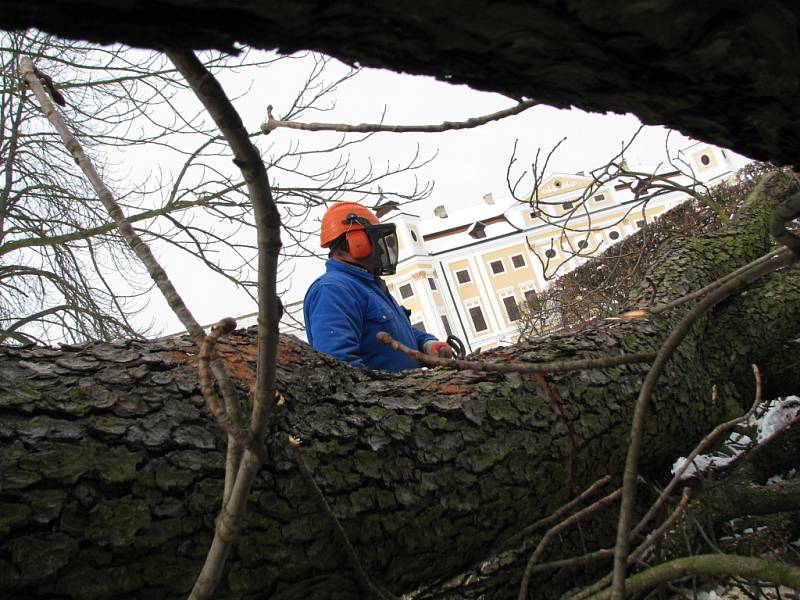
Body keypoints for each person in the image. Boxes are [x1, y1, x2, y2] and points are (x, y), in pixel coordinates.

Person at [303, 201, 453, 371]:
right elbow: (340, 367)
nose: (382, 250)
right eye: (376, 241)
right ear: (357, 242)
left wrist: (427, 344)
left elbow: (396, 333)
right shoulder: (333, 290)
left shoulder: (367, 286)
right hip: (389, 397)